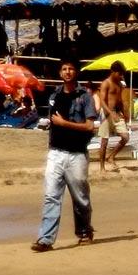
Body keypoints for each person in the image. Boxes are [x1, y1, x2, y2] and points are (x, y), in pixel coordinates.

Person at [32, 60, 98, 252]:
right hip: (56, 152)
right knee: (51, 196)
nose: (67, 72)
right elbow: (52, 121)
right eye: (64, 69)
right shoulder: (54, 96)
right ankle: (45, 239)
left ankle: (84, 230)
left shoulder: (84, 97)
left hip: (76, 154)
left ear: (75, 72)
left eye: (70, 69)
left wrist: (64, 124)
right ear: (60, 73)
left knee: (80, 198)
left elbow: (89, 126)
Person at [95, 61, 131, 172]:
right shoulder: (106, 83)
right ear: (114, 72)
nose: (121, 76)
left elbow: (119, 100)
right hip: (106, 113)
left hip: (117, 112)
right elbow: (102, 101)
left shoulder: (119, 84)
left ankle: (111, 156)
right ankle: (102, 167)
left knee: (125, 137)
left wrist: (124, 113)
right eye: (119, 74)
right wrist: (110, 113)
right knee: (104, 141)